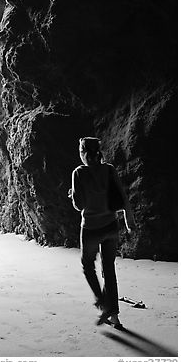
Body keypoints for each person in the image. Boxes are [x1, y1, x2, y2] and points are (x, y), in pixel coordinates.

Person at [70, 136, 136, 328]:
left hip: (91, 228)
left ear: (83, 152)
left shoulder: (79, 173)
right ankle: (114, 316)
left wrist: (72, 195)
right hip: (110, 226)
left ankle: (101, 301)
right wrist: (129, 222)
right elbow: (122, 196)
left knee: (87, 265)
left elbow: (79, 205)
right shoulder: (109, 169)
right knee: (109, 269)